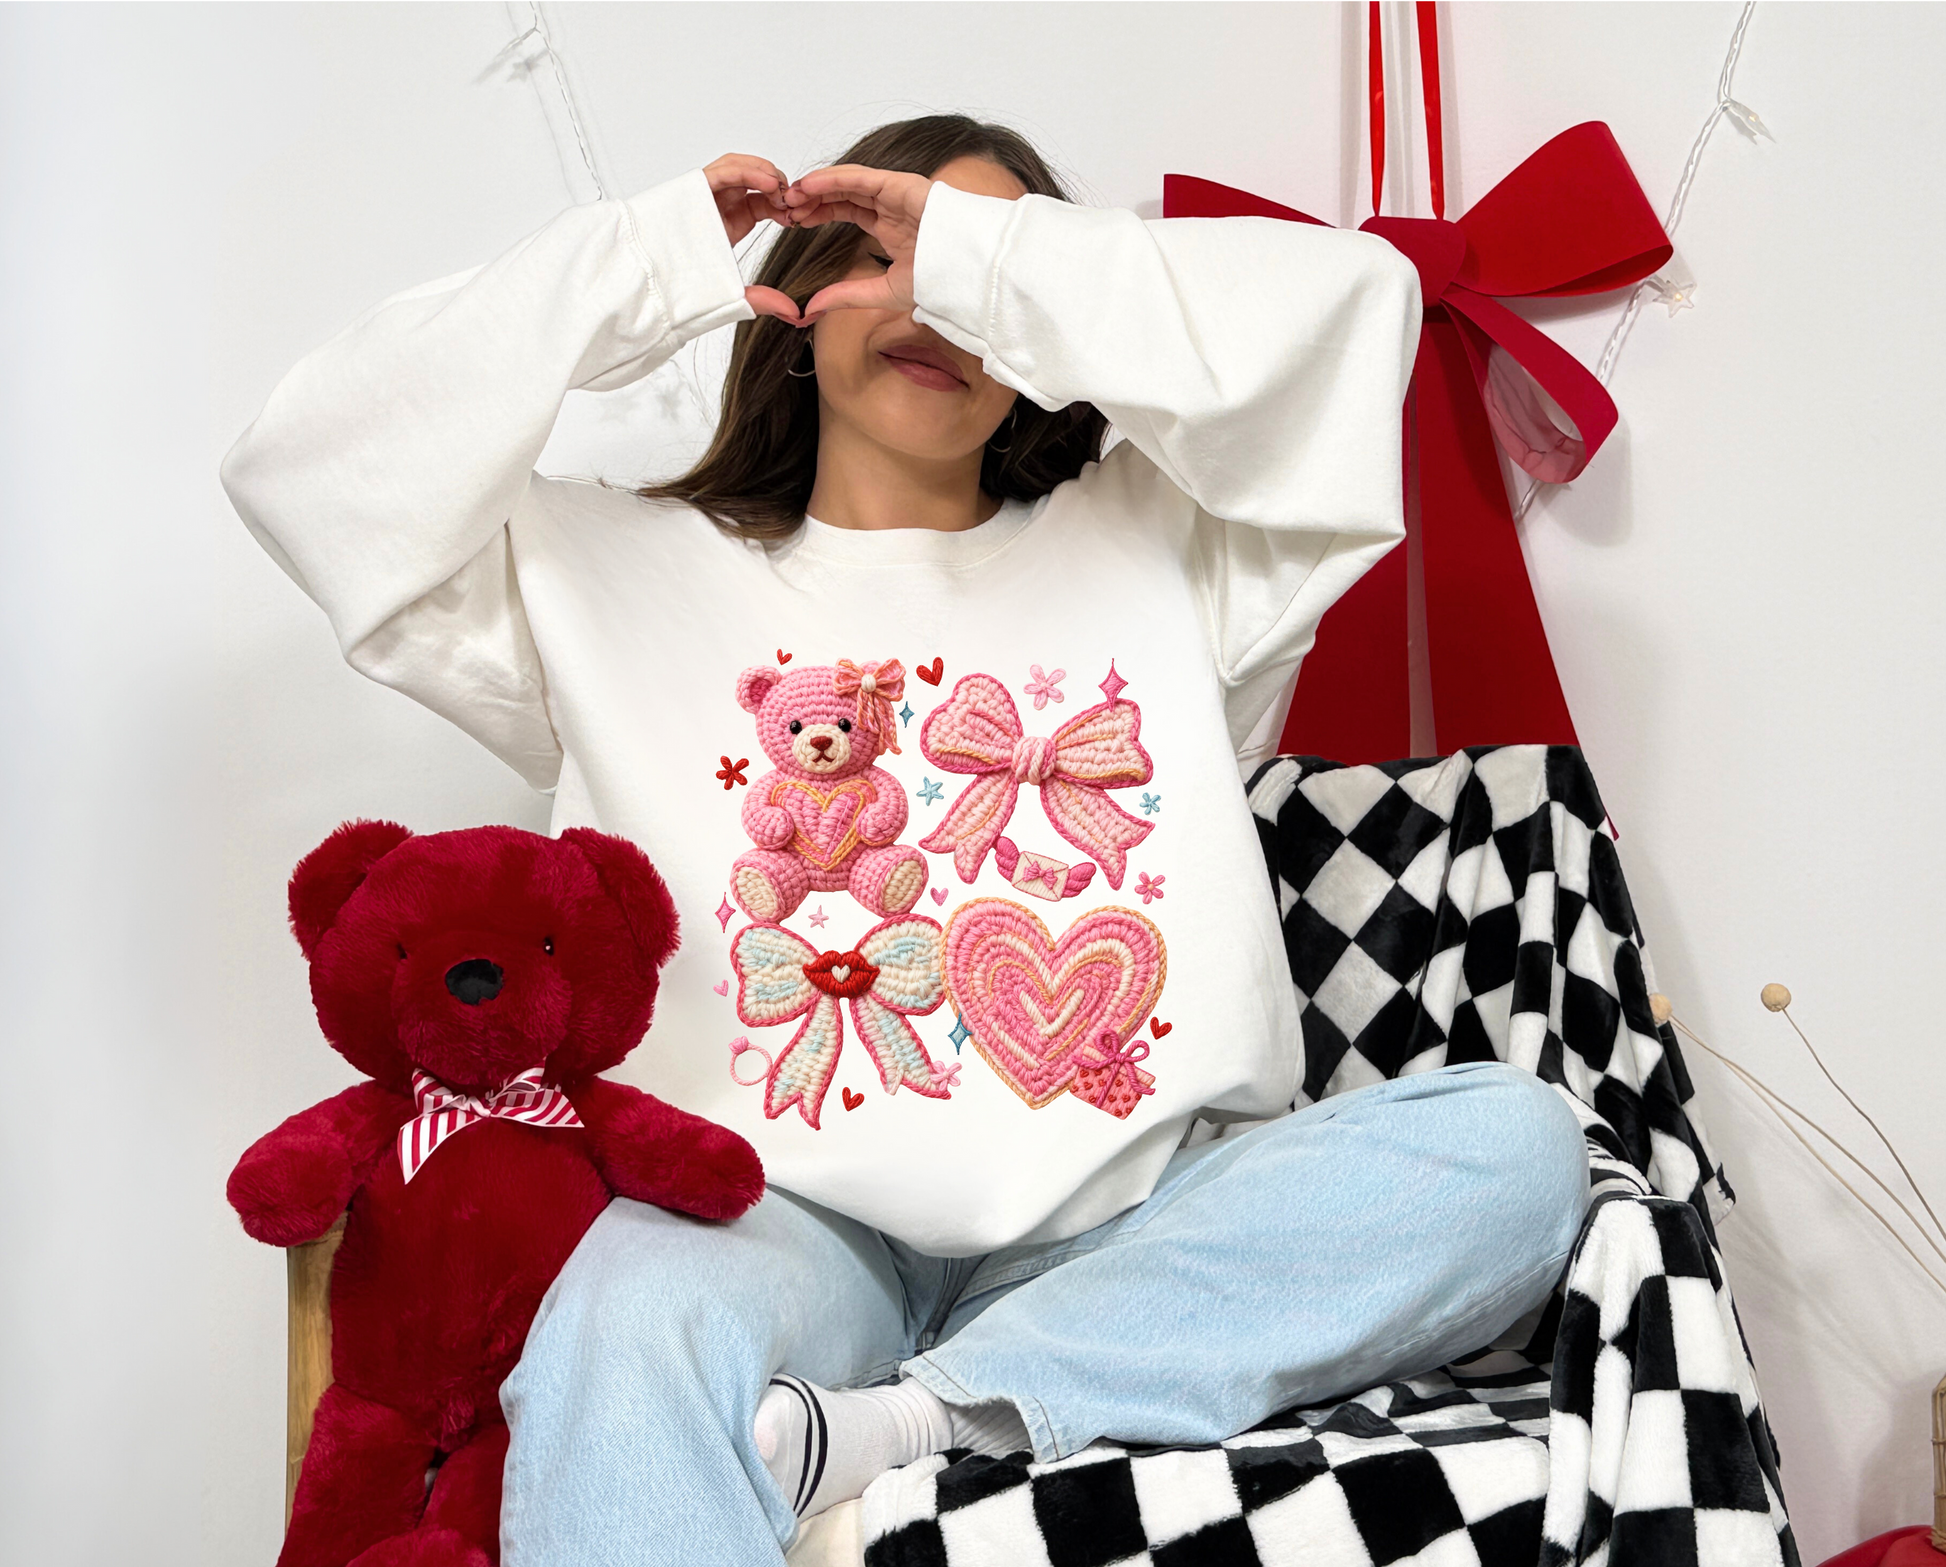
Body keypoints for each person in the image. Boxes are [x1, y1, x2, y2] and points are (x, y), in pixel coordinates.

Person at [224, 113, 1590, 1566]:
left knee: (1514, 1150)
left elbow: (1354, 310)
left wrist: (996, 269)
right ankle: (987, 1389)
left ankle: (919, 1419)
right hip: (773, 1219)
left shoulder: (1179, 545)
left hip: (1144, 1212)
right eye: (892, 252)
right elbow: (308, 465)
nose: (934, 305)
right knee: (619, 1323)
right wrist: (653, 257)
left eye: (979, 272)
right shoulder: (597, 571)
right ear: (803, 285)